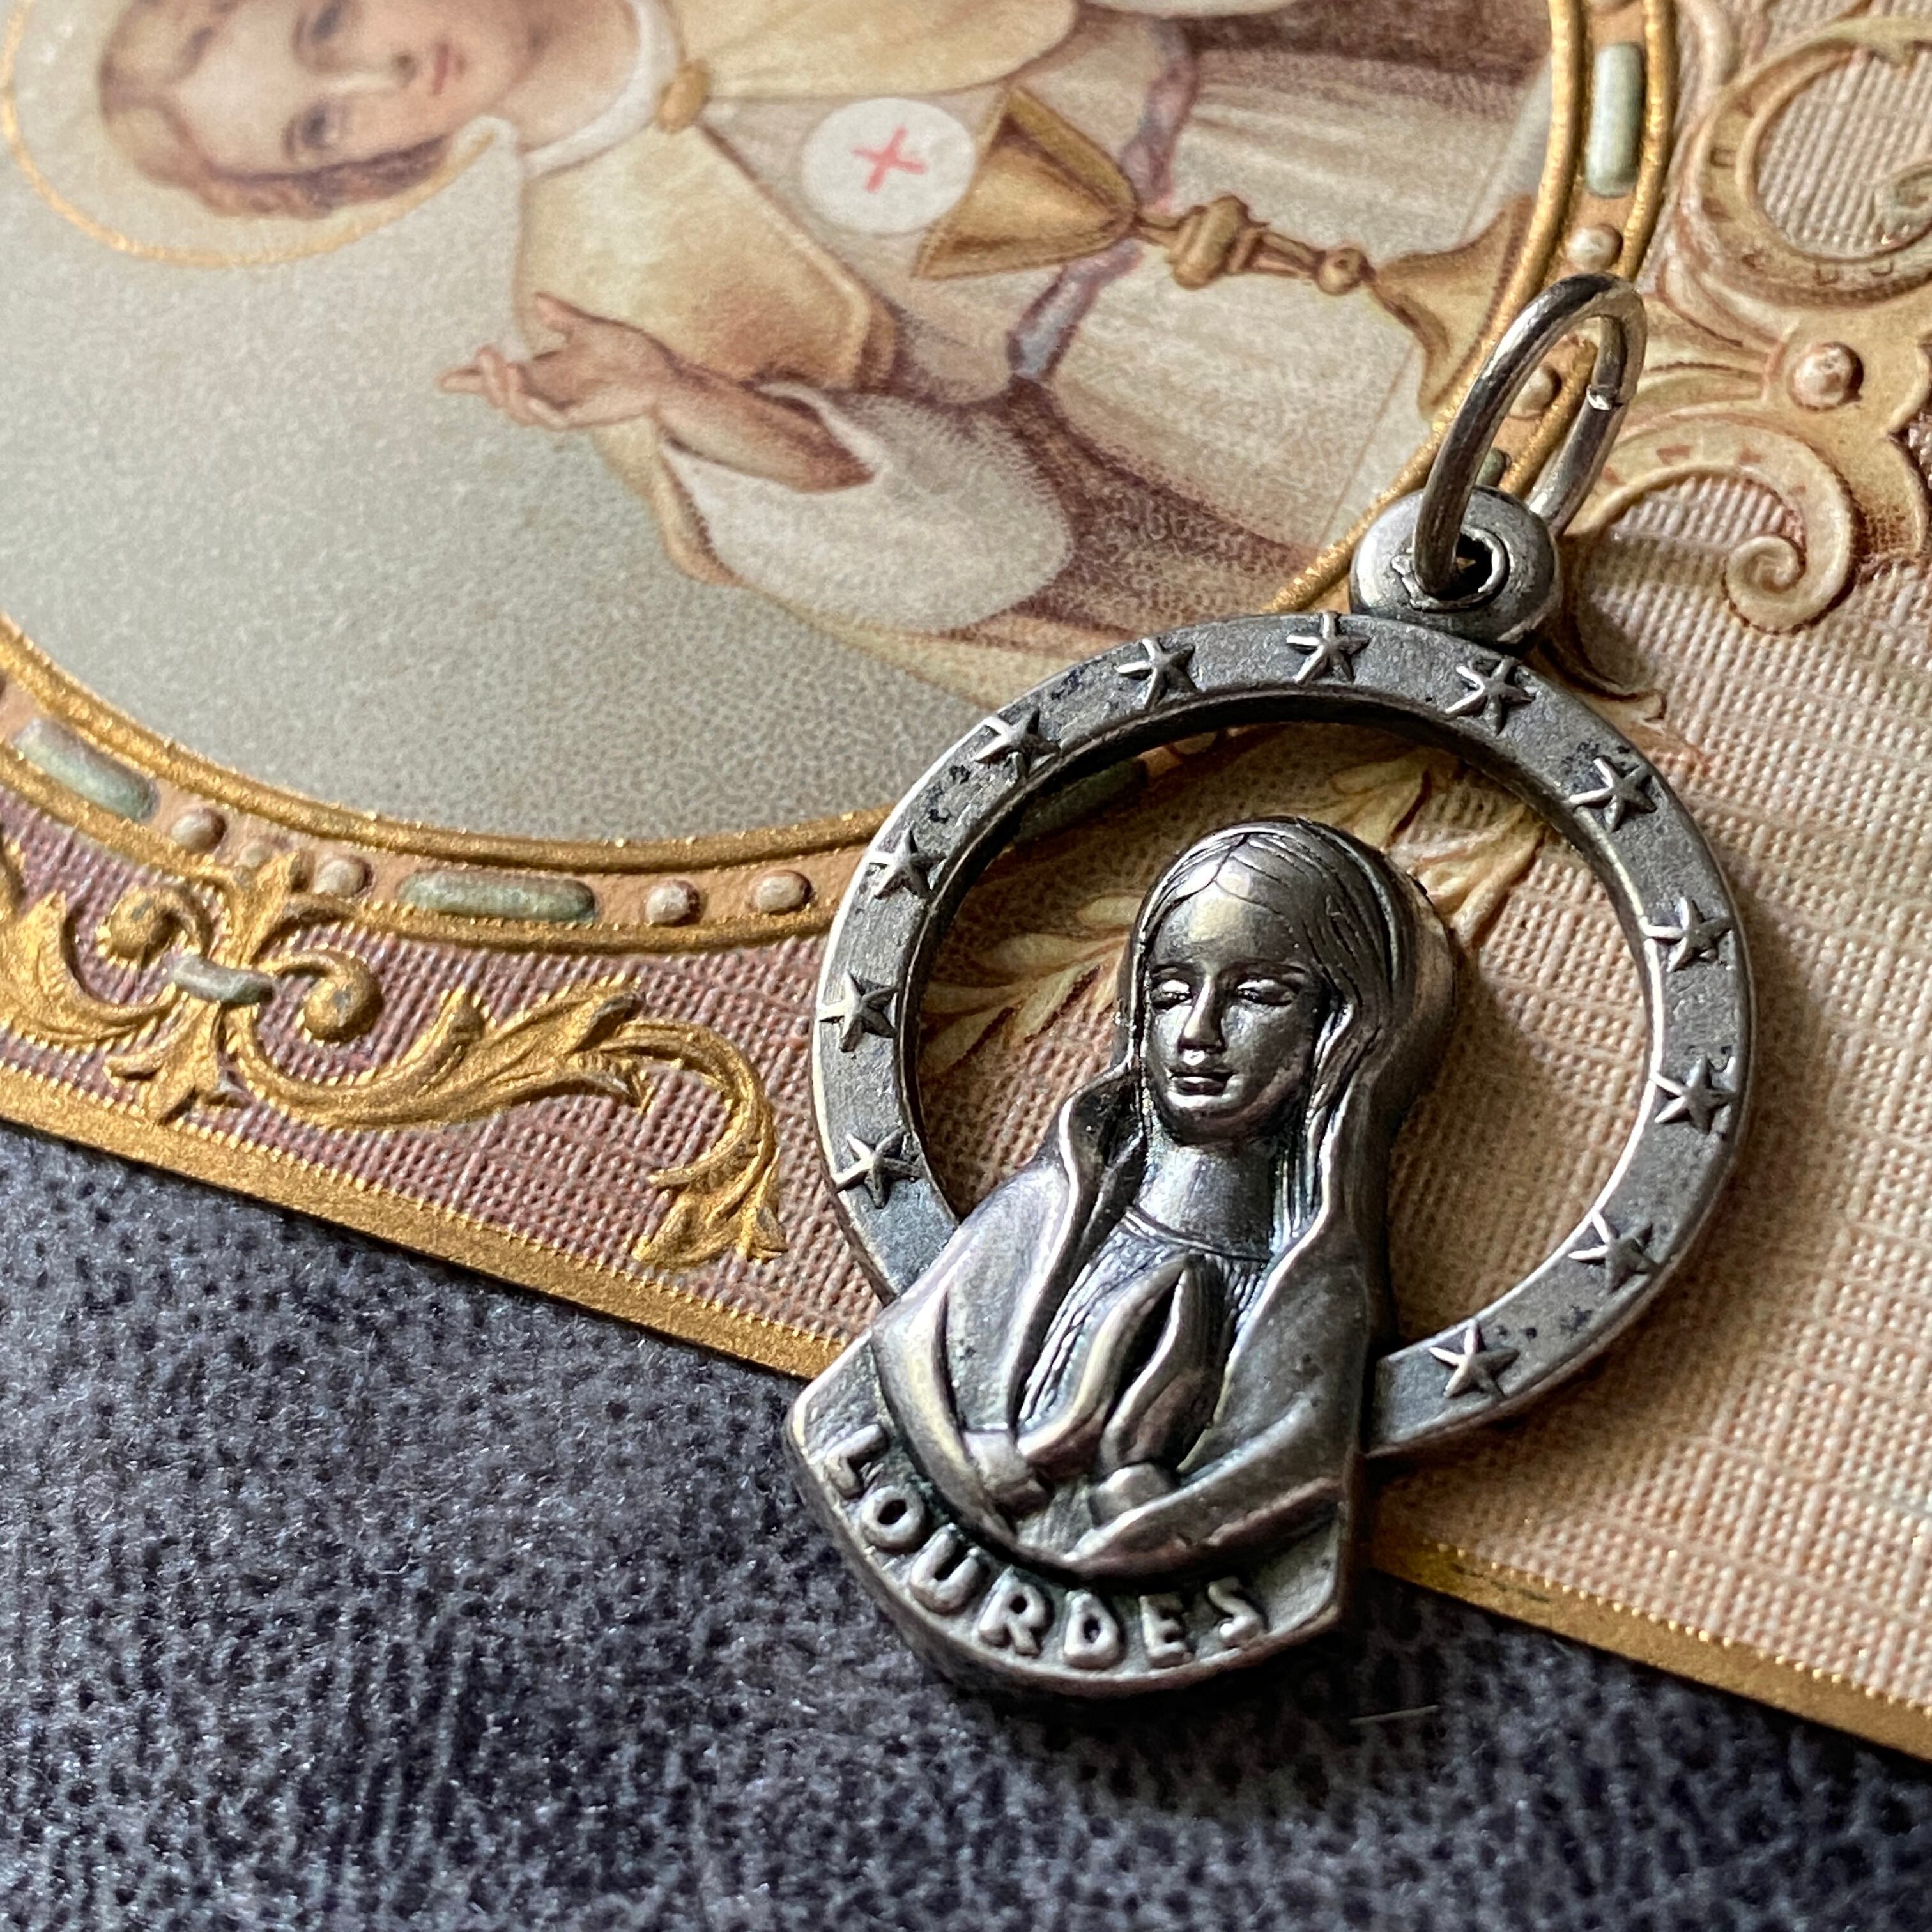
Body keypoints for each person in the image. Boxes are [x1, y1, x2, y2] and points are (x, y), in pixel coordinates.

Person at [97, 0, 1547, 663]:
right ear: (352, 176)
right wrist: (686, 398)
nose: (379, 73)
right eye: (322, 125)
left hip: (1320, 142)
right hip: (1217, 389)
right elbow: (982, 546)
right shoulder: (585, 292)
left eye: (329, 22)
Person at [868, 819, 1454, 1579]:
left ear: (1341, 1026)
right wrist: (995, 1464)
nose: (1199, 1032)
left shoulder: (1317, 1296)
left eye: (1258, 994)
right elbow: (911, 1353)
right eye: (1172, 993)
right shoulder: (1043, 1213)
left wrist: (1140, 1504)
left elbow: (1288, 1468)